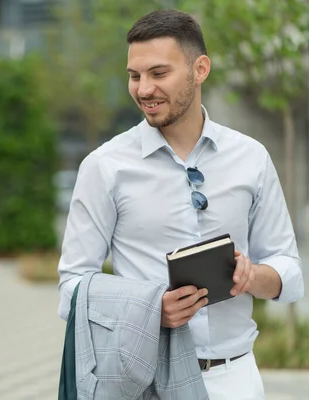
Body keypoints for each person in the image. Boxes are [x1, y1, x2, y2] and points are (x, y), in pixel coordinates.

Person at [58, 9, 304, 400]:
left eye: (158, 73)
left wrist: (251, 277)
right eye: (134, 76)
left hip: (236, 378)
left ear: (200, 69)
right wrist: (150, 310)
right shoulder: (104, 166)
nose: (143, 89)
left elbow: (290, 271)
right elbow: (71, 288)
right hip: (144, 378)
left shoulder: (251, 157)